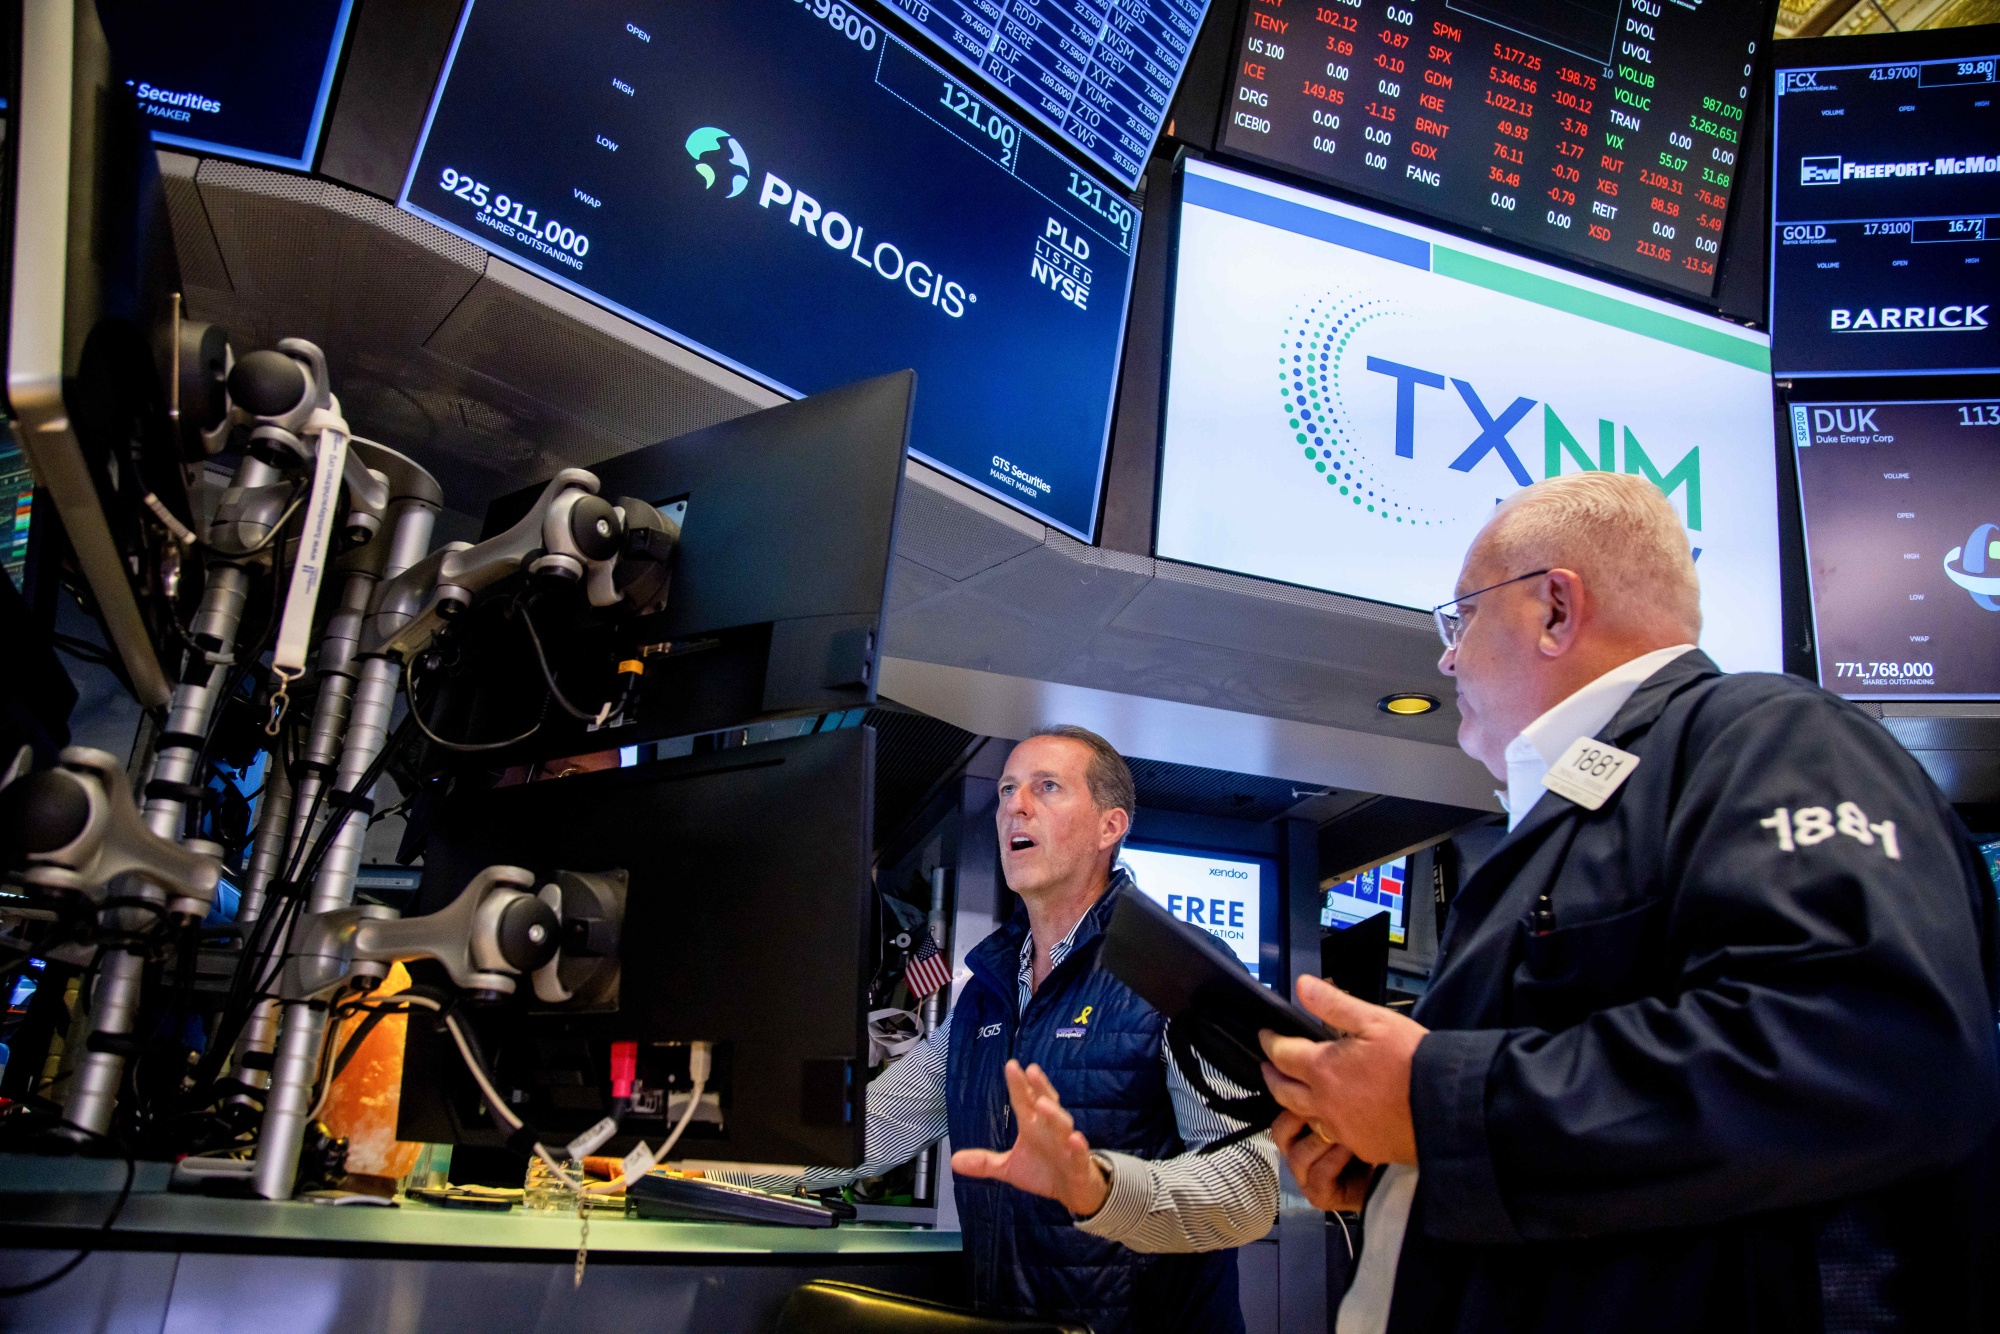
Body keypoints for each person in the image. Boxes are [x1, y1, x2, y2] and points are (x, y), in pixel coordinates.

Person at [1260, 472, 2000, 1333]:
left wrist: (1441, 1105)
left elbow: (1874, 1048)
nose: (1447, 655)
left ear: (1555, 611)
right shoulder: (1574, 812)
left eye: (1461, 616)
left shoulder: (1772, 735)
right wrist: (1407, 1168)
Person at [800, 726, 1278, 1333]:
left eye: (1046, 787)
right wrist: (698, 1168)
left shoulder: (1178, 973)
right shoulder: (985, 995)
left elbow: (1248, 1191)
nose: (1014, 807)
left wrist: (1098, 1189)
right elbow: (869, 1133)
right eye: (1006, 791)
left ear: (1111, 827)